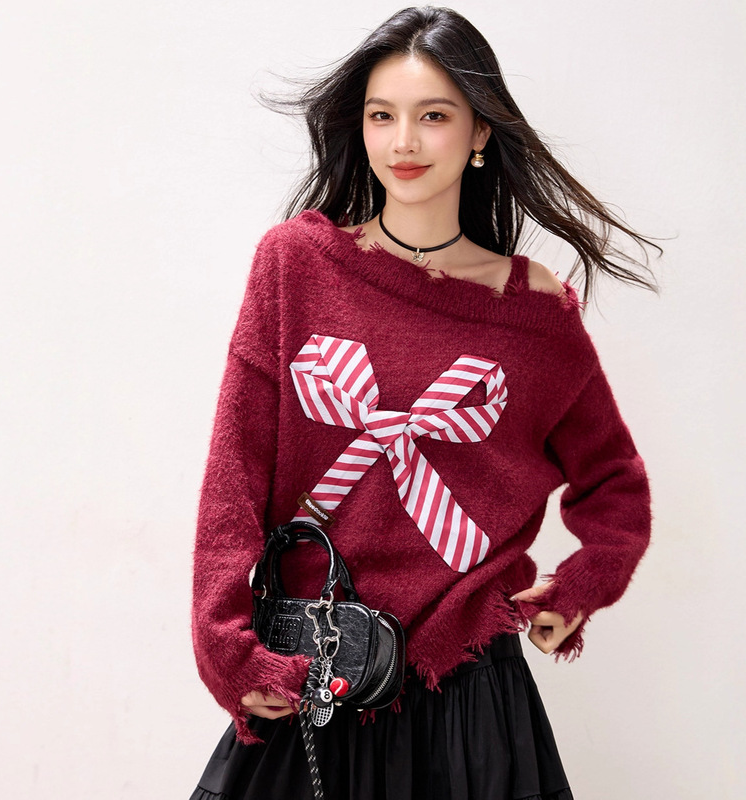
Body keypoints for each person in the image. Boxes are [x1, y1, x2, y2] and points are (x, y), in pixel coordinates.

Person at [189, 7, 658, 800]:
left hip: (469, 696)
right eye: (382, 116)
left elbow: (614, 481)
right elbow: (234, 476)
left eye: (433, 116)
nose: (403, 142)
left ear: (480, 133)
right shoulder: (295, 266)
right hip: (315, 674)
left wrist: (580, 585)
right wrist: (227, 648)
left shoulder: (535, 310)